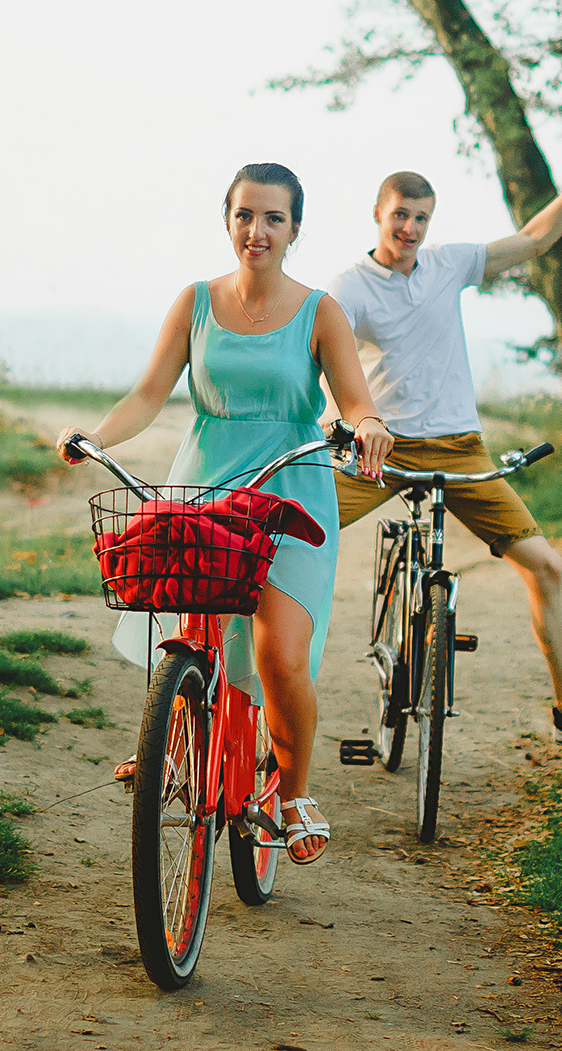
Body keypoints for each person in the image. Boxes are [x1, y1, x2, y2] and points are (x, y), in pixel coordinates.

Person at [59, 163, 395, 864]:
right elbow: (148, 394)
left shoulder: (320, 311)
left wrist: (368, 426)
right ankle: (175, 743)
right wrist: (96, 436)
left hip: (290, 493)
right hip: (207, 484)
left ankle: (293, 794)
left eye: (273, 218)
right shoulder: (195, 302)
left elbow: (356, 400)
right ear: (227, 221)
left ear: (295, 229)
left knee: (279, 655)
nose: (257, 230)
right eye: (245, 215)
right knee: (189, 631)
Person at [327, 116, 562, 751]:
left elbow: (534, 239)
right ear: (378, 214)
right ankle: (238, 695)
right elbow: (327, 364)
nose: (410, 228)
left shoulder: (449, 264)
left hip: (460, 450)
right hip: (380, 450)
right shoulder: (348, 287)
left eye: (421, 218)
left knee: (546, 566)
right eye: (400, 215)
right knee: (286, 537)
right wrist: (346, 425)